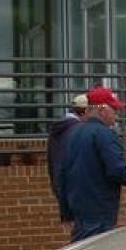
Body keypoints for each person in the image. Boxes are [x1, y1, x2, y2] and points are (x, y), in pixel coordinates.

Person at [60, 86, 126, 242]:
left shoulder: (72, 134)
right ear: (102, 109)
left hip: (79, 214)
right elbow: (116, 171)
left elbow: (62, 175)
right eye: (114, 110)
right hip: (99, 214)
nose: (116, 114)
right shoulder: (105, 134)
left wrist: (66, 213)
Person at [46, 94, 87, 223]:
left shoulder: (59, 131)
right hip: (79, 196)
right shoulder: (77, 131)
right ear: (86, 111)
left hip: (63, 191)